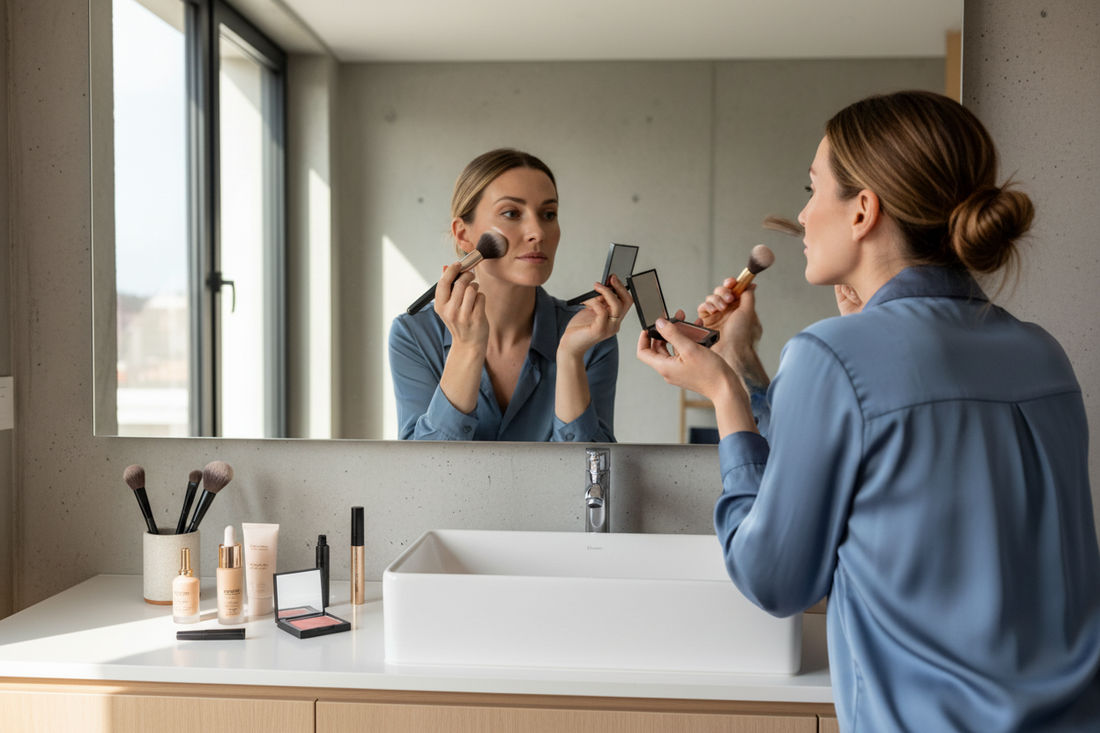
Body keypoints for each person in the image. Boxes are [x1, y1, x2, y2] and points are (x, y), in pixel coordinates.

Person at [637, 91, 1100, 732]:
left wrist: (724, 396)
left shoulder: (833, 355)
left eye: (812, 187)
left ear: (862, 211)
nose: (801, 214)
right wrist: (744, 358)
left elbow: (775, 581)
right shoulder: (1041, 353)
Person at [390, 148, 632, 441]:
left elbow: (591, 476)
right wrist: (466, 349)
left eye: (548, 214)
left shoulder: (590, 335)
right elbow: (423, 473)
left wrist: (570, 358)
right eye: (511, 213)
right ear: (464, 234)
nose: (537, 232)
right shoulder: (413, 335)